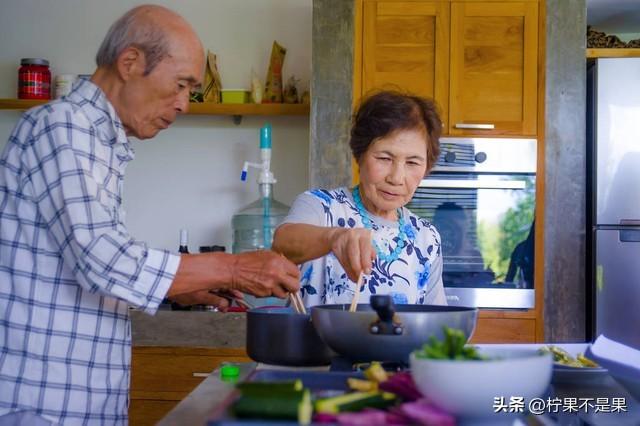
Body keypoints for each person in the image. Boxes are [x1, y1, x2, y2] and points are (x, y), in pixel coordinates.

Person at [0, 5, 300, 425]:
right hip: (43, 406)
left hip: (80, 402)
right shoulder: (61, 127)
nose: (184, 105)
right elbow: (103, 261)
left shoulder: (100, 143)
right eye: (180, 85)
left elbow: (82, 267)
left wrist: (178, 287)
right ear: (130, 63)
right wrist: (231, 268)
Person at [273, 91, 446, 306]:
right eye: (384, 158)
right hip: (316, 341)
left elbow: (436, 325)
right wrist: (334, 238)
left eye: (412, 163)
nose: (396, 178)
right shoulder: (321, 206)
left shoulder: (426, 237)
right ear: (360, 155)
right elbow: (282, 243)